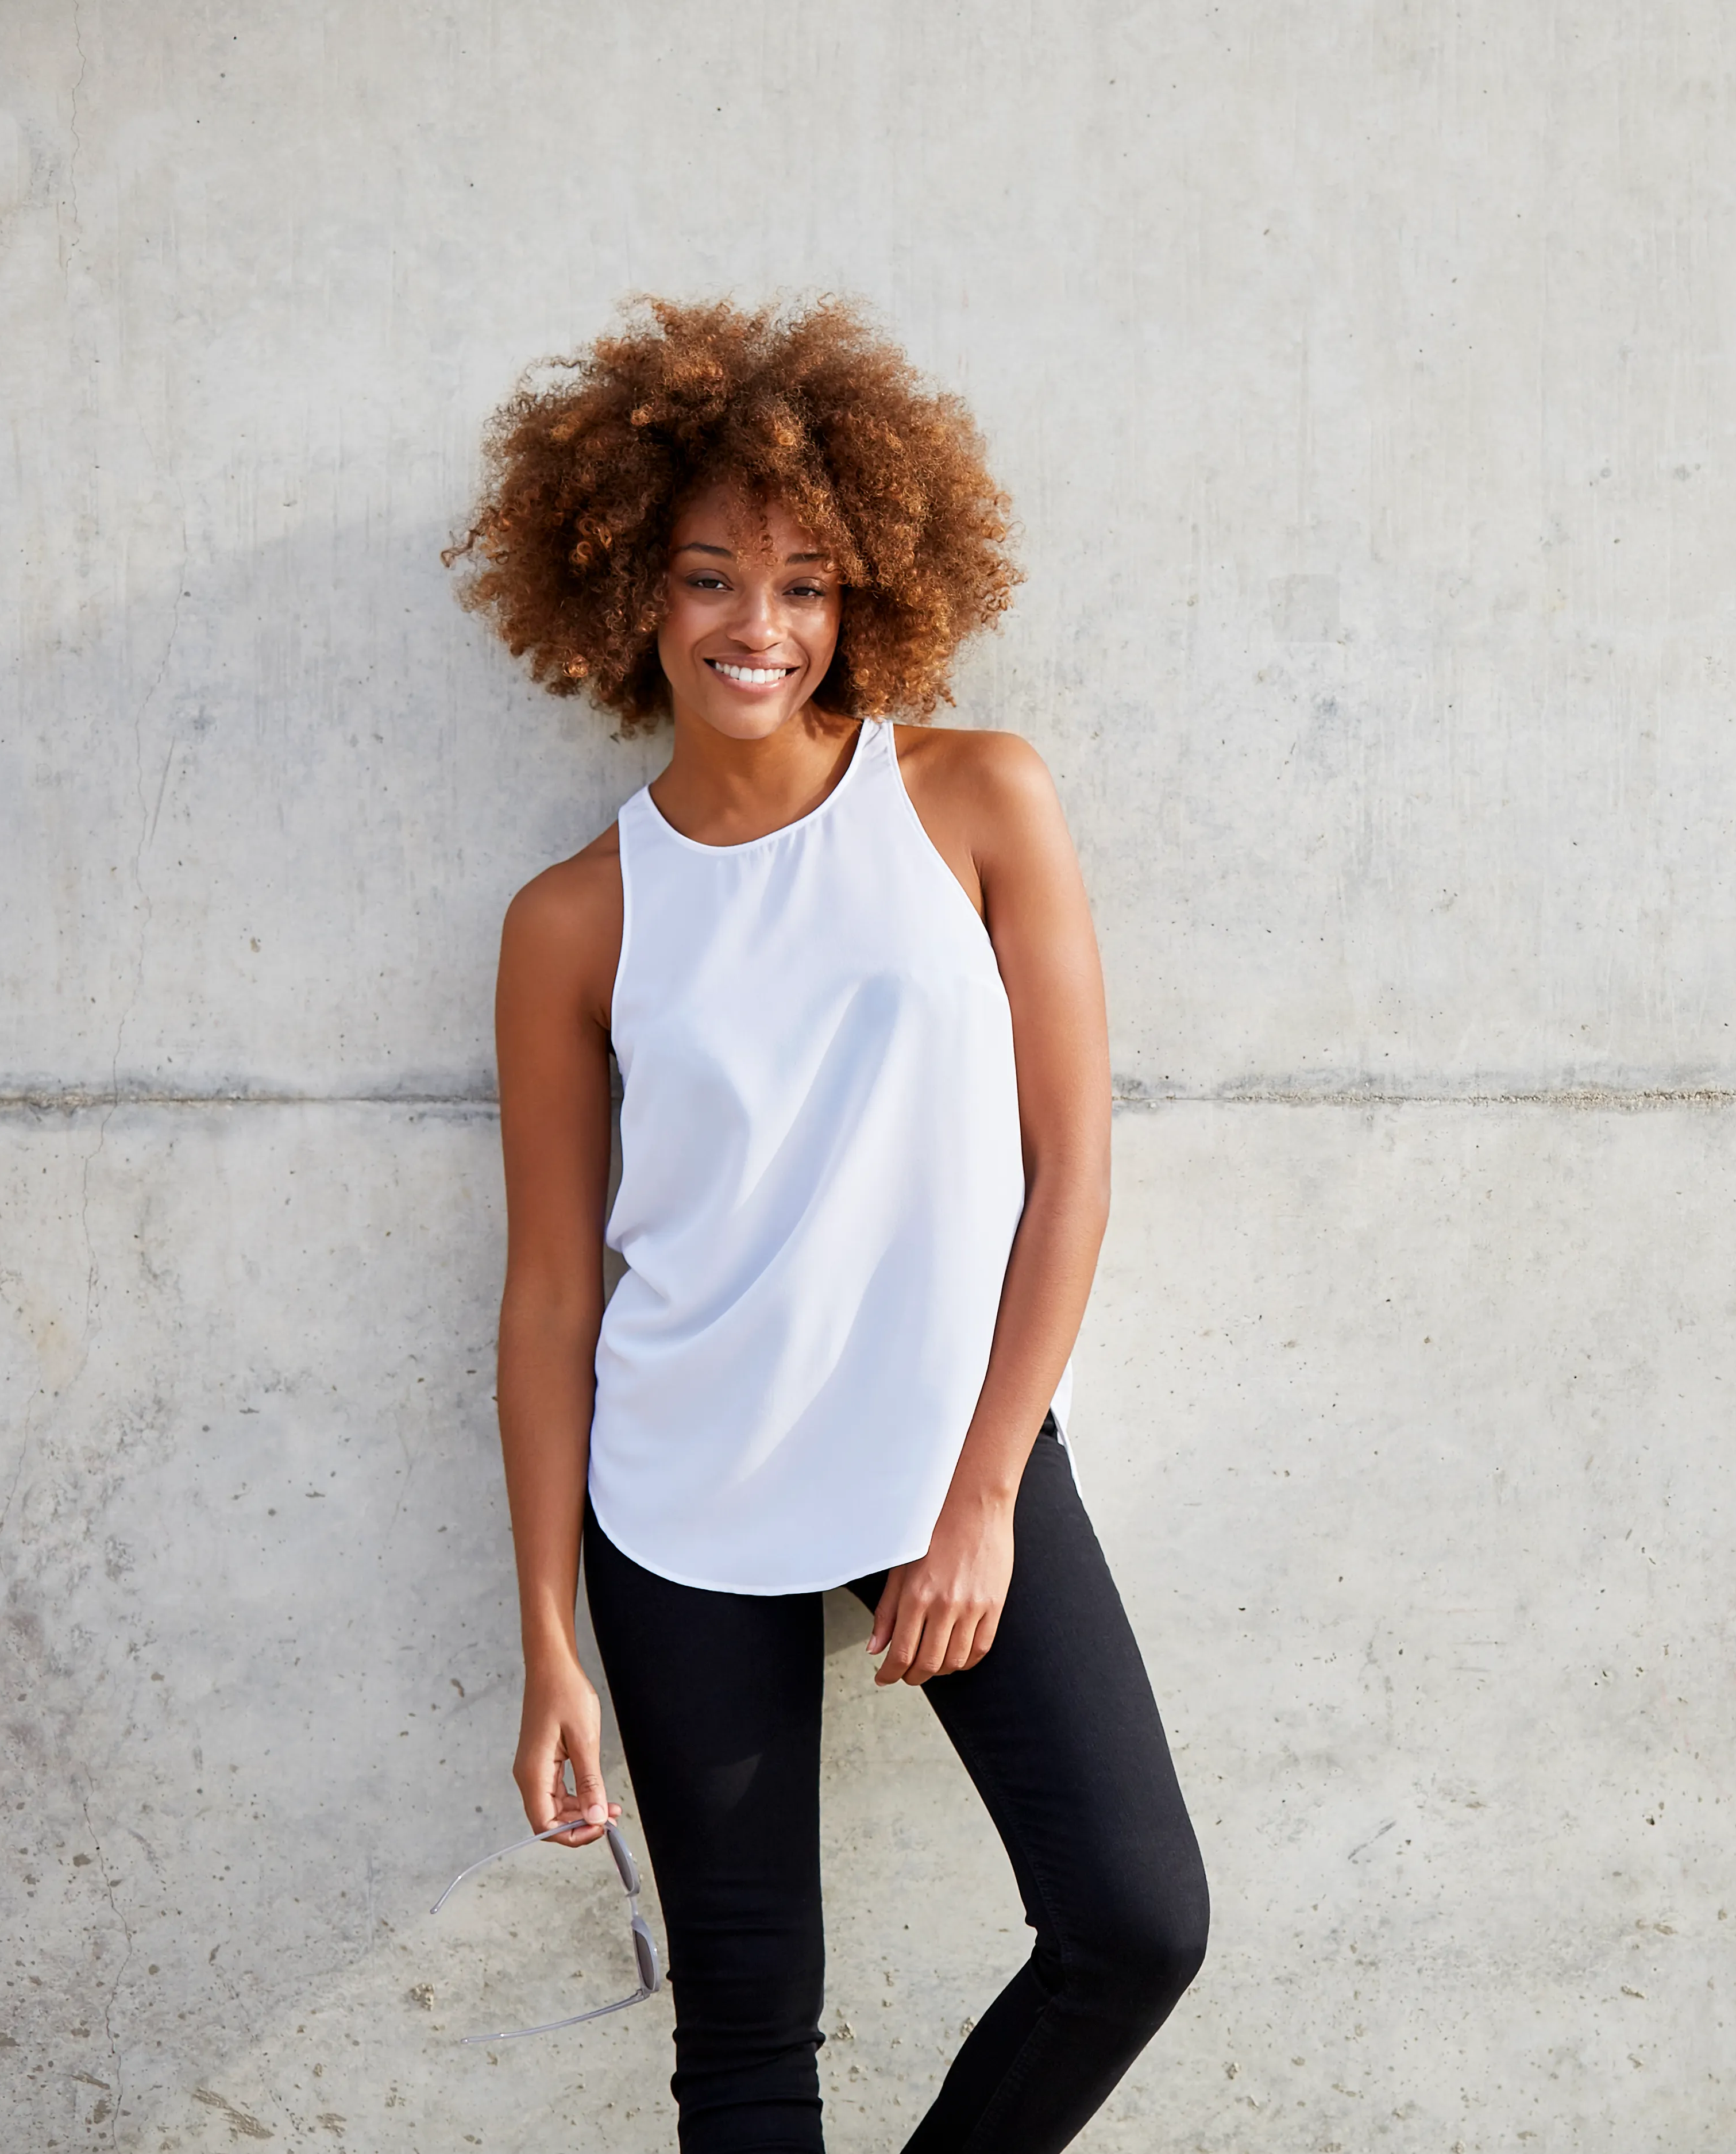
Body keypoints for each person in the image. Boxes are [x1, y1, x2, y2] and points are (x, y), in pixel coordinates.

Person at [453, 296, 1207, 2153]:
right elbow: (552, 1298)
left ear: (865, 589)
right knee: (744, 2042)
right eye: (711, 577)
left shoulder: (974, 800)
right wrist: (549, 1636)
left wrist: (982, 1497)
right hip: (681, 1494)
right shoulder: (575, 918)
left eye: (804, 582)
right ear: (634, 590)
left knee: (1134, 1918)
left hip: (948, 1454)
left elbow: (1069, 1167)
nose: (758, 627)